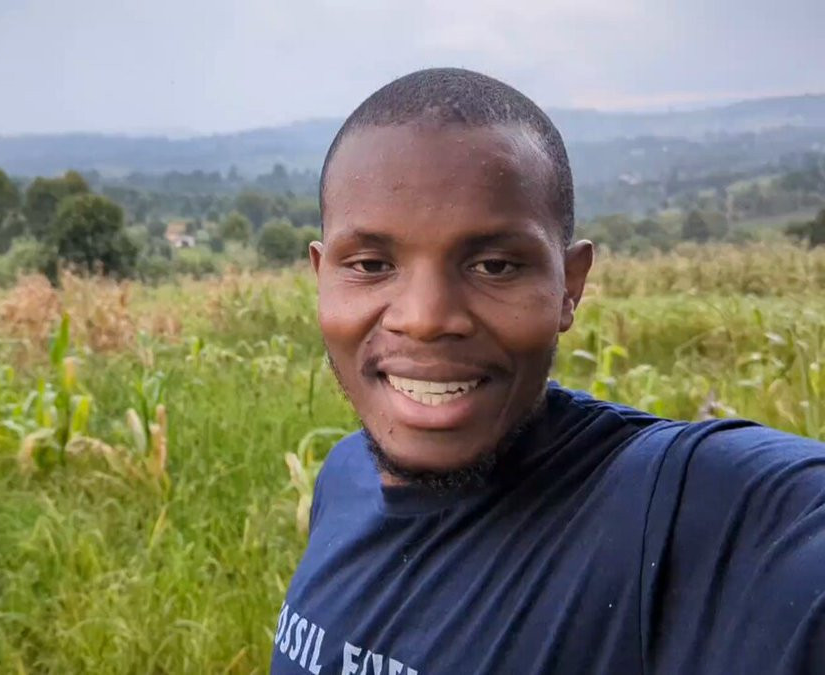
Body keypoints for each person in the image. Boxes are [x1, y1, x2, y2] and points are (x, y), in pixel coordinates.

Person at [271, 67, 825, 675]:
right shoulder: (345, 476)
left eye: (495, 266)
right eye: (371, 265)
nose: (426, 319)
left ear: (569, 286)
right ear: (321, 277)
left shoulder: (664, 511)